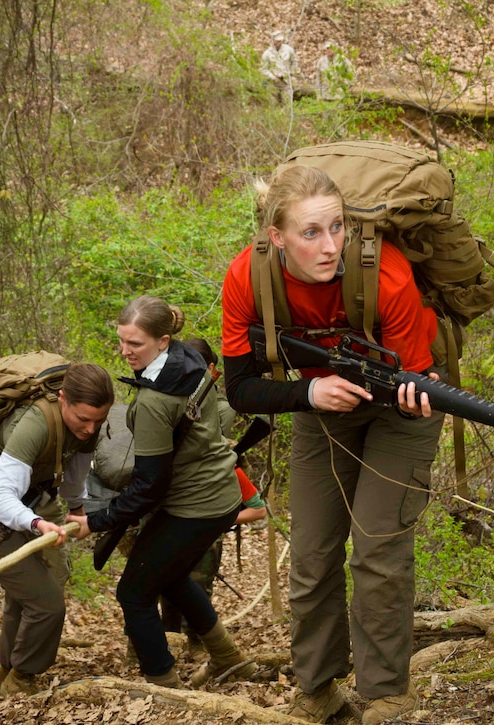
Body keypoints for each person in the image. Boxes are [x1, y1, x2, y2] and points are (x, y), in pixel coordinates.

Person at [220, 165, 443, 724]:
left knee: (377, 550)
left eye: (339, 228)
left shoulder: (385, 274)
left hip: (400, 412)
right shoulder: (249, 278)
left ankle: (388, 692)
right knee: (314, 553)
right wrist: (310, 391)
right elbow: (242, 389)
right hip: (322, 408)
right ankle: (317, 688)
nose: (330, 246)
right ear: (277, 237)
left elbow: (415, 378)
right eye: (311, 233)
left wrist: (413, 395)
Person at [67, 297, 256, 689]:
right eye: (122, 341)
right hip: (217, 494)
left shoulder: (155, 400)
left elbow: (149, 487)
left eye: (135, 343)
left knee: (133, 592)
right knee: (169, 575)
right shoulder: (186, 361)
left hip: (196, 504)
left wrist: (96, 521)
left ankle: (163, 685)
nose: (125, 351)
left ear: (163, 340)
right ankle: (228, 659)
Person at [0, 362, 114, 697]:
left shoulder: (89, 424)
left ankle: (5, 671)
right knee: (46, 604)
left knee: (31, 592)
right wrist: (38, 524)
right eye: (83, 419)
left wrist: (76, 509)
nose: (90, 428)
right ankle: (22, 679)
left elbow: (75, 471)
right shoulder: (35, 425)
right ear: (62, 400)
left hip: (31, 504)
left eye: (98, 420)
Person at [159, 338, 268, 646]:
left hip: (208, 509)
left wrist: (222, 519)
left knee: (197, 586)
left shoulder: (220, 408)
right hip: (174, 510)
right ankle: (171, 645)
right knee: (167, 584)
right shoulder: (169, 399)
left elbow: (257, 506)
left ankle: (200, 647)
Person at [260, 29, 300, 104]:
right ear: (273, 41)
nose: (279, 43)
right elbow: (263, 69)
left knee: (287, 102)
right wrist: (273, 77)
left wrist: (292, 72)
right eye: (277, 41)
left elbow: (294, 61)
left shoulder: (288, 50)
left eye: (280, 41)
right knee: (274, 103)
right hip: (273, 82)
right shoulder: (267, 53)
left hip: (286, 81)